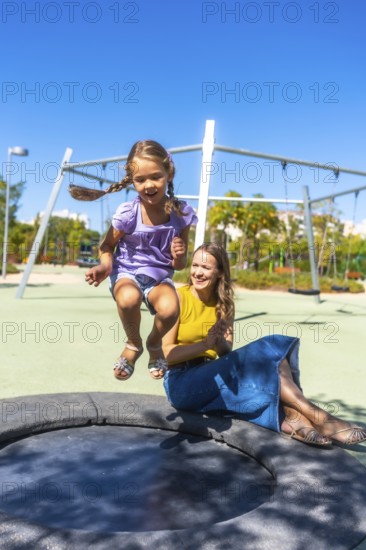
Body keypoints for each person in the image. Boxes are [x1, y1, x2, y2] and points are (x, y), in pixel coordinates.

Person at [162, 243, 366, 447]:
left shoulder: (224, 304)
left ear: (220, 272)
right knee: (269, 349)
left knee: (272, 357)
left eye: (205, 268)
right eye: (195, 265)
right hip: (181, 383)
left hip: (213, 376)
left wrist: (217, 342)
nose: (197, 272)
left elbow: (226, 353)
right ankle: (320, 417)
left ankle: (294, 421)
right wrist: (204, 344)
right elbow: (166, 354)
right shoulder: (178, 297)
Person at [69, 140, 197, 380]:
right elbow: (107, 246)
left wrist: (180, 256)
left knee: (171, 309)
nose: (148, 185)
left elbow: (178, 266)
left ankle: (155, 343)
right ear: (132, 180)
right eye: (140, 180)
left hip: (159, 278)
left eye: (155, 177)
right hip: (126, 273)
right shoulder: (129, 213)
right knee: (129, 299)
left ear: (169, 174)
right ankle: (133, 344)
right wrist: (105, 266)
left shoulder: (180, 214)